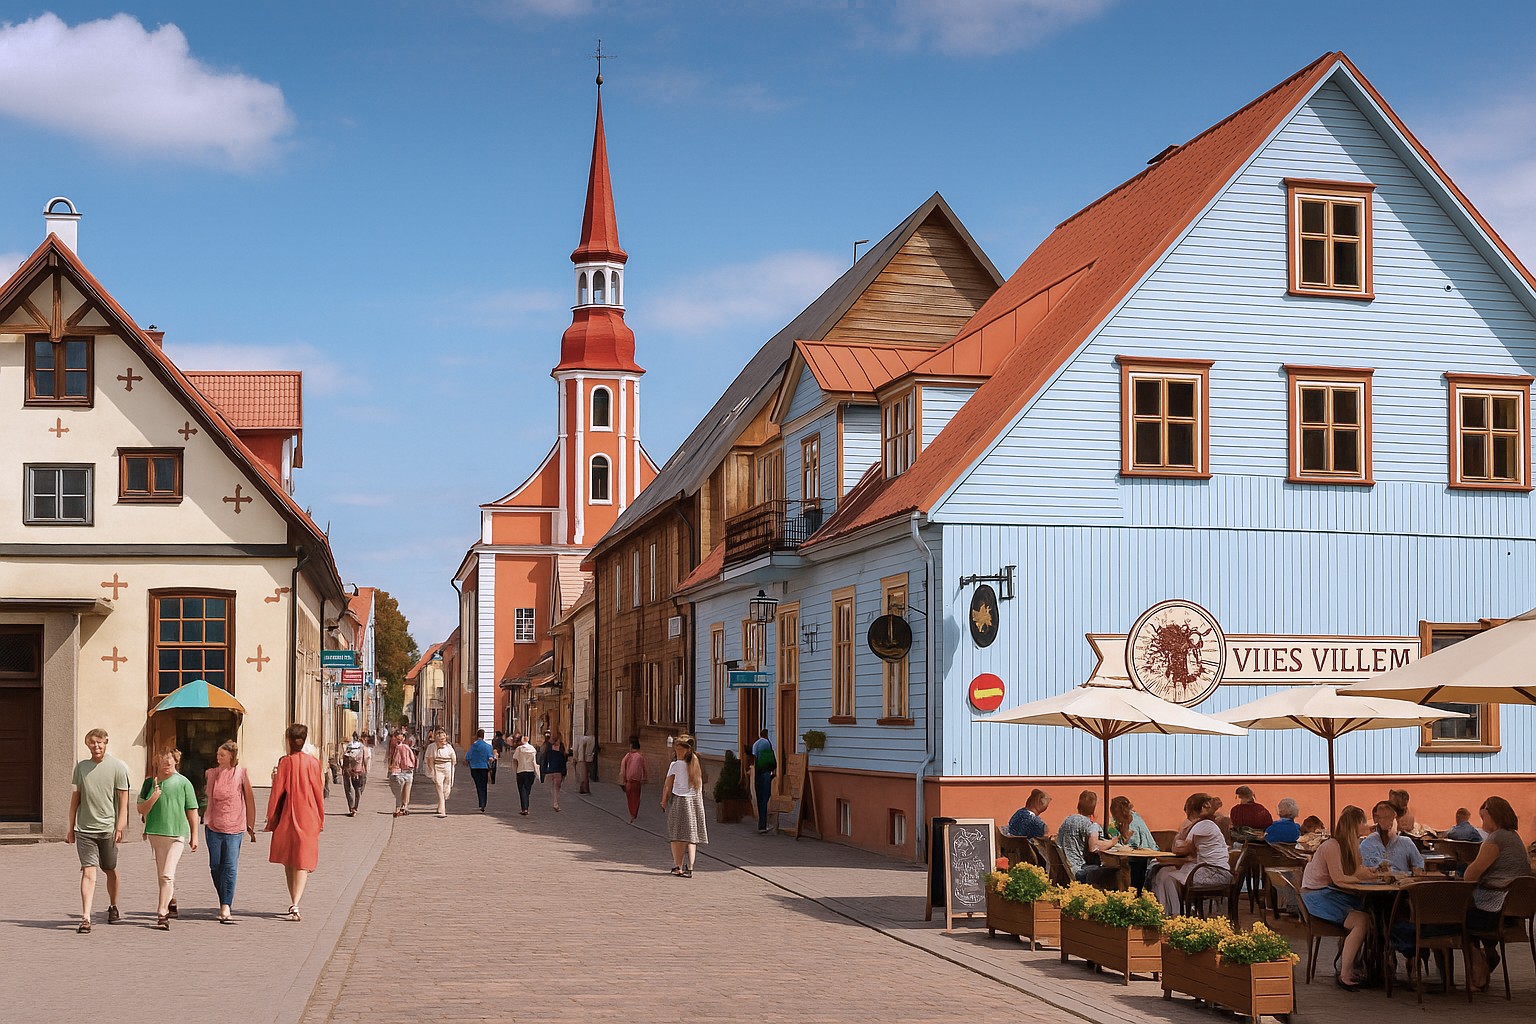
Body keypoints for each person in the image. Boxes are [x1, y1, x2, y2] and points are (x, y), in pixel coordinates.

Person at [1300, 805, 1377, 990]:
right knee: (1362, 920)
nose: (1365, 826)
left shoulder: (1351, 845)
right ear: (1354, 824)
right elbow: (1340, 879)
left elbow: (1356, 870)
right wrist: (1361, 877)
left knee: (1371, 911)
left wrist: (1369, 872)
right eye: (1362, 822)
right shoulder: (1331, 846)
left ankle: (1360, 965)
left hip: (1329, 893)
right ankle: (1346, 973)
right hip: (1316, 896)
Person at [1465, 796, 1536, 990]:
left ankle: (1478, 962)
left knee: (1456, 917)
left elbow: (1471, 875)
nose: (1482, 821)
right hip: (1515, 911)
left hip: (1495, 909)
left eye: (1483, 816)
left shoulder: (1496, 838)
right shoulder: (1514, 837)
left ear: (1491, 813)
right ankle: (1489, 952)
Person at [66, 728, 130, 932]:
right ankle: (85, 917)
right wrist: (71, 827)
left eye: (100, 742)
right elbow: (75, 798)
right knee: (89, 872)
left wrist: (120, 826)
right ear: (88, 745)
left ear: (106, 743)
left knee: (109, 869)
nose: (96, 746)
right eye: (93, 742)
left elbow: (123, 800)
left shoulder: (118, 767)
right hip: (85, 829)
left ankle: (113, 905)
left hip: (108, 829)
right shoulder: (81, 768)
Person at [136, 748, 200, 930]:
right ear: (158, 762)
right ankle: (170, 900)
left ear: (176, 761)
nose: (167, 764)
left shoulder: (183, 782)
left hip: (178, 834)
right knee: (162, 874)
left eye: (170, 761)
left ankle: (162, 912)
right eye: (163, 761)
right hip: (156, 833)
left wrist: (194, 835)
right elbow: (141, 809)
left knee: (167, 874)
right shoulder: (150, 783)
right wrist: (154, 797)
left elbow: (192, 809)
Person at [267, 723, 325, 922]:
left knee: (289, 859)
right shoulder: (314, 763)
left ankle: (294, 901)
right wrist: (320, 817)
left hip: (288, 816)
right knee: (302, 859)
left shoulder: (285, 762)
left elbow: (277, 792)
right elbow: (319, 792)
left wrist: (271, 818)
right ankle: (295, 902)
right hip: (308, 814)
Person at [203, 740, 257, 924]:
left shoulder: (241, 774)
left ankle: (226, 905)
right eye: (218, 755)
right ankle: (223, 898)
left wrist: (251, 825)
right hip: (213, 826)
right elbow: (208, 797)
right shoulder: (211, 774)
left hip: (235, 827)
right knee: (215, 866)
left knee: (230, 866)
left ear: (231, 757)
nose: (218, 758)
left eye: (222, 755)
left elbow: (249, 799)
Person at [1153, 793, 1232, 915]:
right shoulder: (1205, 824)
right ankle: (1167, 911)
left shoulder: (1203, 825)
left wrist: (1182, 831)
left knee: (1166, 876)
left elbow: (1179, 849)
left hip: (1214, 873)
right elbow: (1192, 853)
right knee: (1163, 872)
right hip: (1209, 869)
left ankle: (1175, 914)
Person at [661, 735, 708, 877]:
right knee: (691, 837)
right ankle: (691, 867)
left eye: (678, 748)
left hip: (680, 801)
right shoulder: (696, 763)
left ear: (683, 750)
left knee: (676, 836)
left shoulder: (675, 765)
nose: (676, 751)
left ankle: (678, 866)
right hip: (695, 802)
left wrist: (663, 801)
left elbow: (667, 785)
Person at [1055, 791, 1112, 883]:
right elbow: (1094, 847)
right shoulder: (1091, 825)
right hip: (1079, 869)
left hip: (1064, 868)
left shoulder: (1067, 820)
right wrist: (1112, 842)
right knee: (1111, 871)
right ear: (1093, 808)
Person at [1359, 799, 1425, 874]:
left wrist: (1416, 872)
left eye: (1392, 818)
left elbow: (1419, 867)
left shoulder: (1406, 843)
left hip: (1401, 884)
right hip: (1375, 884)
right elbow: (1366, 872)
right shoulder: (1367, 844)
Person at [1107, 795, 1158, 891]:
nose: (1114, 818)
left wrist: (1124, 837)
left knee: (1127, 868)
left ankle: (1134, 893)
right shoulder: (1124, 822)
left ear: (1121, 813)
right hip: (1136, 856)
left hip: (1146, 855)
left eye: (1115, 815)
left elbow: (1136, 845)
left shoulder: (1134, 823)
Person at [749, 730, 777, 834]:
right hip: (766, 772)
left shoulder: (756, 744)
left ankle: (761, 825)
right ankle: (763, 825)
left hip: (758, 771)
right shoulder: (768, 743)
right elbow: (771, 759)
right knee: (765, 797)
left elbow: (754, 756)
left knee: (760, 797)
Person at [424, 729, 456, 818]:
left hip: (447, 767)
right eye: (440, 738)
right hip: (437, 767)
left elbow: (454, 759)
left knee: (447, 788)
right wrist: (432, 770)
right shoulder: (432, 747)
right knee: (439, 785)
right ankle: (443, 808)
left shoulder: (449, 747)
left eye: (443, 738)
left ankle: (440, 804)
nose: (442, 740)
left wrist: (452, 765)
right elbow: (430, 760)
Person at [388, 731, 417, 817]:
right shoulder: (404, 747)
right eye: (398, 738)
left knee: (400, 791)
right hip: (407, 771)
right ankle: (404, 807)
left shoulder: (401, 747)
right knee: (405, 790)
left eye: (401, 738)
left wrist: (392, 768)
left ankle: (401, 807)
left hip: (401, 771)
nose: (399, 740)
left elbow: (395, 760)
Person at [465, 729, 495, 812]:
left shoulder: (473, 746)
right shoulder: (488, 746)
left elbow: (468, 757)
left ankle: (481, 802)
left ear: (476, 735)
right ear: (483, 736)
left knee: (478, 785)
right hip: (483, 768)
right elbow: (490, 758)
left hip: (474, 768)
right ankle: (483, 803)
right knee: (484, 786)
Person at [620, 737, 648, 823]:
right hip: (637, 781)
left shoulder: (627, 756)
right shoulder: (641, 757)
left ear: (631, 747)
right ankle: (634, 813)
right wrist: (646, 778)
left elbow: (622, 769)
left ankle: (632, 812)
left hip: (629, 781)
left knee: (629, 798)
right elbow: (644, 768)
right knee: (636, 797)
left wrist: (622, 780)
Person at [511, 733, 539, 816]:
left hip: (521, 771)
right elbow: (534, 761)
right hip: (530, 771)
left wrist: (515, 769)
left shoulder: (519, 749)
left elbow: (514, 759)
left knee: (522, 790)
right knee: (527, 790)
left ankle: (524, 808)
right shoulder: (533, 749)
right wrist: (536, 771)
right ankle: (526, 807)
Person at [539, 733, 569, 812]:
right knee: (556, 786)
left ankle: (555, 802)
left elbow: (544, 759)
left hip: (555, 769)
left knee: (556, 786)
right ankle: (555, 802)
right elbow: (563, 760)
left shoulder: (551, 747)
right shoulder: (558, 747)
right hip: (556, 770)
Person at [341, 732, 368, 816]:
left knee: (348, 789)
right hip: (358, 771)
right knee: (358, 789)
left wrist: (343, 768)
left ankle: (351, 807)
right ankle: (355, 807)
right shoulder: (363, 747)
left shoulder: (347, 746)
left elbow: (343, 758)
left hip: (347, 770)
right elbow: (366, 759)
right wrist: (366, 769)